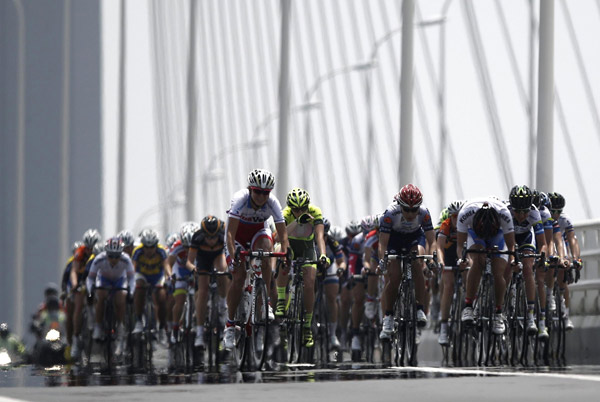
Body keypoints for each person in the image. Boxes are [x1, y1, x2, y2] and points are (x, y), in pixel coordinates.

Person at [223, 168, 289, 350]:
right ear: (250, 189)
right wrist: (233, 254)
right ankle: (229, 325)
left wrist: (286, 254)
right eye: (257, 192)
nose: (261, 196)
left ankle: (265, 302)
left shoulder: (273, 203)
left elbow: (283, 236)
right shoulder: (240, 199)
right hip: (236, 237)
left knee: (266, 254)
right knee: (238, 276)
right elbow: (230, 233)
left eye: (265, 193)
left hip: (257, 233)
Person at [378, 184, 436, 340]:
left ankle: (419, 308)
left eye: (414, 210)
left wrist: (432, 258)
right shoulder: (390, 213)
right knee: (394, 277)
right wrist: (383, 260)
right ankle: (388, 316)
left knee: (417, 263)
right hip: (394, 240)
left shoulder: (424, 213)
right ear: (400, 206)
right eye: (407, 210)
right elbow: (383, 243)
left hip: (414, 238)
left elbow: (432, 240)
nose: (411, 214)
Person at [274, 188, 329, 348]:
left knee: (310, 282)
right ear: (290, 208)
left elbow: (319, 236)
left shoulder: (315, 212)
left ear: (308, 206)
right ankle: (282, 299)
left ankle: (307, 327)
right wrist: (298, 221)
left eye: (303, 209)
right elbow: (277, 237)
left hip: (306, 247)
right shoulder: (285, 213)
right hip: (289, 245)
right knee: (283, 258)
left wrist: (323, 255)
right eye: (295, 210)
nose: (299, 212)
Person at [457, 198, 516, 335]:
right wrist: (463, 259)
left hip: (498, 234)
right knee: (476, 261)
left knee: (498, 272)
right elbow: (460, 246)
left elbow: (511, 246)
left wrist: (512, 262)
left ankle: (498, 312)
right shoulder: (465, 214)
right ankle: (469, 306)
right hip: (475, 233)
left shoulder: (504, 215)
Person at [506, 185, 548, 337]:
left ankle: (530, 316)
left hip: (525, 239)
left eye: (525, 211)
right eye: (518, 211)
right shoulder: (505, 212)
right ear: (512, 207)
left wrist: (542, 255)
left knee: (528, 268)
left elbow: (542, 243)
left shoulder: (535, 213)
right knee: (505, 266)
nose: (521, 215)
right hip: (507, 238)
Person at [86, 237, 135, 357]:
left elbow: (132, 279)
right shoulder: (99, 259)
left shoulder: (126, 259)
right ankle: (98, 326)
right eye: (111, 256)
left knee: (120, 298)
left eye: (117, 256)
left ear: (121, 254)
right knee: (100, 296)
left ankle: (120, 326)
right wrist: (90, 292)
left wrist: (131, 293)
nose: (114, 259)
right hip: (104, 280)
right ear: (106, 253)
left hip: (119, 280)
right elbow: (91, 278)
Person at [185, 215, 229, 348]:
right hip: (203, 259)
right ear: (203, 234)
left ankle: (222, 303)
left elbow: (228, 255)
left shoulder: (223, 235)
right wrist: (194, 269)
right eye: (208, 237)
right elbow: (189, 262)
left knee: (222, 269)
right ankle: (199, 332)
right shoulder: (197, 237)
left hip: (218, 256)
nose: (211, 240)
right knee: (203, 292)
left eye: (214, 237)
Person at [548, 192, 582, 331]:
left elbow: (573, 240)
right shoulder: (543, 217)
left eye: (559, 211)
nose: (555, 214)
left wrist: (576, 259)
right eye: (553, 211)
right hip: (548, 245)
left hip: (561, 247)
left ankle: (566, 315)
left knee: (563, 272)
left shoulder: (565, 220)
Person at [131, 228, 171, 345]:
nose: (149, 250)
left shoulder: (161, 251)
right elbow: (133, 268)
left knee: (162, 297)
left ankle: (162, 328)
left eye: (152, 247)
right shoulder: (137, 251)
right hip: (142, 275)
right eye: (146, 247)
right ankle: (138, 320)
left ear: (156, 245)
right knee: (139, 288)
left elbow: (166, 266)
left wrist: (169, 276)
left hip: (156, 276)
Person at [69, 228, 101, 360]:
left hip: (97, 280)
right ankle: (76, 339)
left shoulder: (101, 252)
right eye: (88, 248)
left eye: (92, 248)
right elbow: (74, 271)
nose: (89, 251)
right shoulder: (80, 253)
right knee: (78, 304)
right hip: (83, 280)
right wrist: (75, 284)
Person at [436, 200, 464, 345]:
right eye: (454, 217)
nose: (456, 220)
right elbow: (439, 247)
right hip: (448, 255)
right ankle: (444, 327)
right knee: (448, 286)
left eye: (460, 217)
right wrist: (441, 263)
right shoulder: (446, 225)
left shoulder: (467, 224)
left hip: (463, 254)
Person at [321, 218, 347, 349]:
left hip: (329, 268)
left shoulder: (332, 241)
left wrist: (341, 268)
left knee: (332, 298)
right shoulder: (309, 238)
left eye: (325, 234)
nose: (322, 236)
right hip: (314, 267)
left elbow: (341, 260)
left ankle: (332, 335)